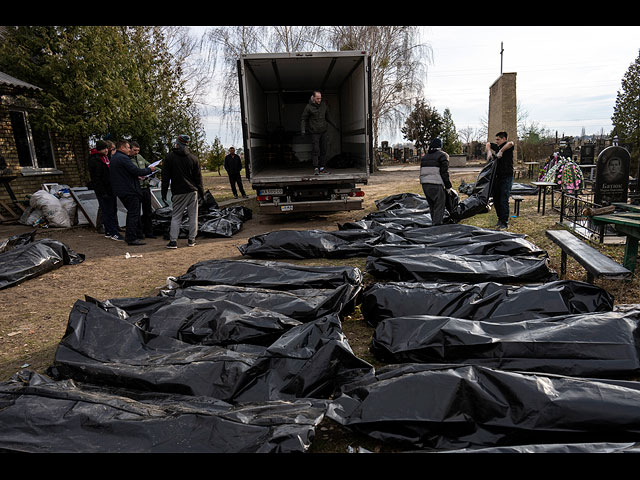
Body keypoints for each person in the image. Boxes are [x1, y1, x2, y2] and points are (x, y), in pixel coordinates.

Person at [161, 134, 205, 249]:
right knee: (193, 216)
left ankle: (173, 241)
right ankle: (191, 240)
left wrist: (164, 193)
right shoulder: (193, 158)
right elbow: (198, 179)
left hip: (178, 192)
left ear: (177, 143)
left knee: (176, 217)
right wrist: (202, 193)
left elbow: (165, 178)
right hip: (192, 191)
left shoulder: (169, 157)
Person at [109, 139, 155, 246]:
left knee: (132, 213)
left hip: (122, 189)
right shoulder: (123, 158)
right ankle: (131, 237)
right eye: (128, 147)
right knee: (133, 214)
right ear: (122, 148)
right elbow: (135, 170)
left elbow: (127, 173)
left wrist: (135, 176)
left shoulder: (115, 158)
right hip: (129, 190)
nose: (129, 149)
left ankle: (135, 235)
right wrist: (149, 170)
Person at [87, 140, 122, 241]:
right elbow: (96, 178)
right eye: (104, 149)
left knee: (112, 210)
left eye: (107, 148)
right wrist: (102, 191)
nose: (106, 150)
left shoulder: (107, 157)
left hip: (111, 188)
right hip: (103, 190)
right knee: (107, 211)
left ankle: (108, 230)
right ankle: (113, 232)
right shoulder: (94, 160)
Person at [300, 90, 338, 175]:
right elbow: (303, 119)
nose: (319, 100)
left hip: (323, 131)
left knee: (324, 149)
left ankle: (322, 168)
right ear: (313, 98)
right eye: (317, 98)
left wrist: (335, 125)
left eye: (320, 98)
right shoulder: (308, 107)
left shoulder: (324, 105)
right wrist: (303, 130)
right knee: (316, 150)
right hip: (314, 132)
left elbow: (328, 117)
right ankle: (316, 168)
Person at [129, 141, 159, 238]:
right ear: (130, 149)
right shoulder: (127, 159)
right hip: (136, 188)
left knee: (148, 211)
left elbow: (149, 165)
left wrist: (156, 168)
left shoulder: (140, 157)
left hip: (145, 187)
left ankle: (149, 232)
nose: (136, 152)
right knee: (136, 212)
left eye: (138, 150)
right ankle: (139, 233)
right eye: (135, 150)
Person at [419, 138, 452, 226]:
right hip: (436, 184)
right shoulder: (443, 155)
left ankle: (434, 222)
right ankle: (436, 227)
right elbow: (444, 172)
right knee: (439, 205)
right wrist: (448, 186)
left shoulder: (425, 157)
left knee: (432, 205)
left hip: (425, 184)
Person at [486, 131, 515, 230]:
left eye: (498, 139)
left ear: (504, 139)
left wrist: (501, 151)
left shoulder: (508, 147)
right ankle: (500, 219)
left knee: (503, 199)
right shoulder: (497, 146)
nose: (496, 141)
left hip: (507, 177)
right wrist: (489, 151)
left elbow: (511, 143)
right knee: (496, 199)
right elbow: (488, 144)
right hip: (497, 177)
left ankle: (504, 222)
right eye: (496, 139)